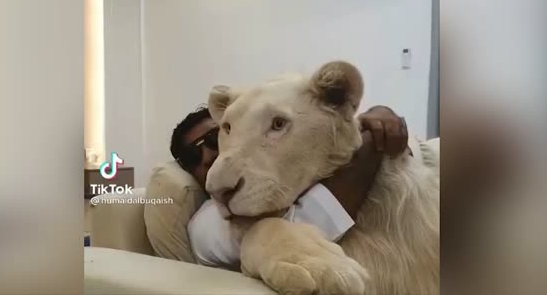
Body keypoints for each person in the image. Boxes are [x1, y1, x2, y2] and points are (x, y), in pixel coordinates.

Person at [170, 105, 410, 269]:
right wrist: (370, 141)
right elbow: (305, 234)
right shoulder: (206, 226)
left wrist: (378, 116)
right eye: (192, 156)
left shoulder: (285, 173)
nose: (207, 156)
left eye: (215, 138)